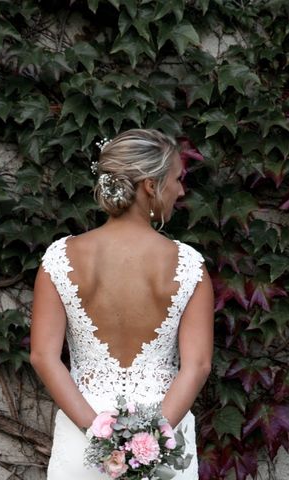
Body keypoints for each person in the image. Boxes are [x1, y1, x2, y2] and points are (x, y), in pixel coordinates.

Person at [29, 128, 214, 479]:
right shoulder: (189, 266)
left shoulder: (60, 259)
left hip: (83, 439)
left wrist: (99, 434)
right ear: (149, 185)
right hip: (164, 439)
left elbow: (43, 356)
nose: (181, 190)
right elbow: (198, 365)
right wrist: (152, 438)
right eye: (177, 179)